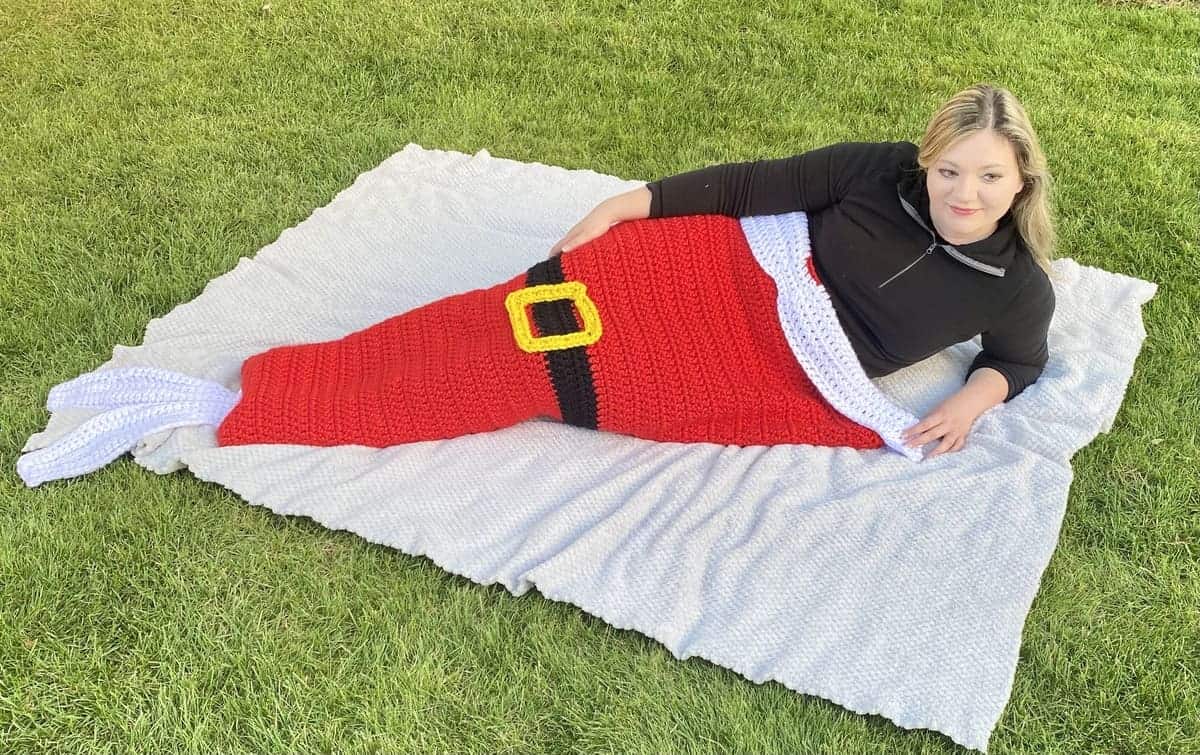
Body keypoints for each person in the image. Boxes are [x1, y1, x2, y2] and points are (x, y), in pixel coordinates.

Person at [549, 83, 1057, 459]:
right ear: (926, 164)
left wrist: (969, 403)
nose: (964, 195)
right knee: (589, 274)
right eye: (948, 172)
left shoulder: (1017, 288)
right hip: (742, 269)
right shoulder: (879, 170)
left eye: (990, 176)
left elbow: (1017, 362)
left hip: (790, 361)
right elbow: (750, 186)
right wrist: (619, 206)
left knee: (626, 382)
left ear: (1021, 183)